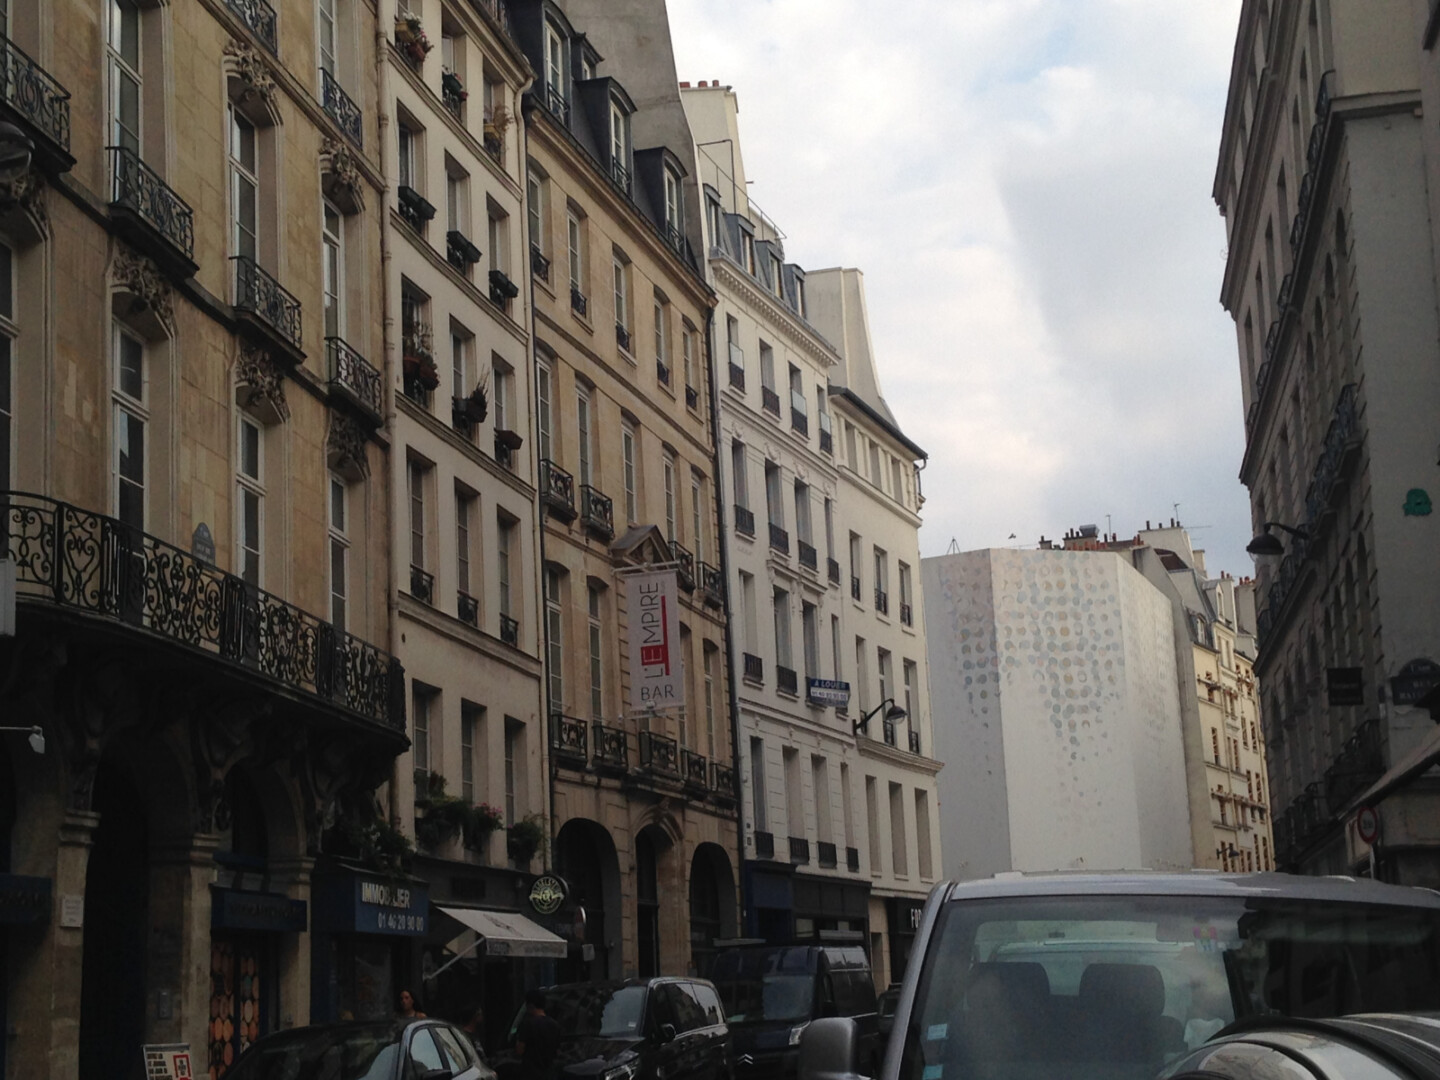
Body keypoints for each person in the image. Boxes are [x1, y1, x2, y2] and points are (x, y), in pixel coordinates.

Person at [514, 988, 561, 1080]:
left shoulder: (527, 1024)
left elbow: (520, 1050)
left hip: (531, 1074)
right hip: (549, 1074)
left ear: (530, 1005)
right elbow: (557, 1051)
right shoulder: (555, 1025)